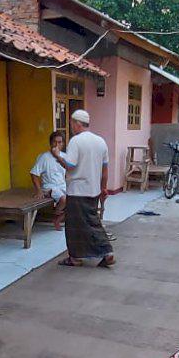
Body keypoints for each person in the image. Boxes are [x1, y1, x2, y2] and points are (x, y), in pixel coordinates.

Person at [52, 109, 115, 267]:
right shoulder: (100, 141)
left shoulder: (76, 141)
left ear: (77, 123)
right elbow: (105, 169)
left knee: (75, 227)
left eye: (72, 123)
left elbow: (70, 165)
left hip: (77, 190)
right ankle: (97, 253)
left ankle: (87, 255)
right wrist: (104, 188)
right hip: (93, 190)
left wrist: (58, 156)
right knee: (90, 222)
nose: (72, 126)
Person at [30, 131, 68, 230]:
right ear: (50, 143)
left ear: (63, 144)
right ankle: (56, 216)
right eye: (54, 142)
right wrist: (38, 190)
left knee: (77, 200)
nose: (56, 145)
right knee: (64, 199)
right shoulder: (44, 157)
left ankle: (59, 216)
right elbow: (34, 173)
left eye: (59, 142)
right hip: (50, 187)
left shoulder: (64, 157)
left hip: (62, 185)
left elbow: (69, 172)